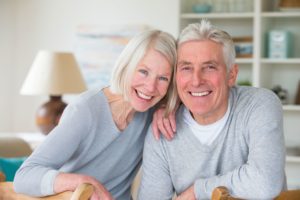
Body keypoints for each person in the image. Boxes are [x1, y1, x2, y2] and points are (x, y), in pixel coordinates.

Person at [14, 29, 177, 200]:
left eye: (163, 78)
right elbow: (24, 177)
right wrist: (81, 181)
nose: (150, 87)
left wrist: (167, 108)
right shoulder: (86, 110)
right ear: (126, 66)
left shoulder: (153, 111)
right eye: (143, 71)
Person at [138, 20, 286, 200]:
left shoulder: (259, 105)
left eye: (209, 67)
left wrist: (197, 191)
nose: (196, 80)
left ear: (231, 75)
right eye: (186, 68)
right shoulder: (162, 131)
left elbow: (264, 183)